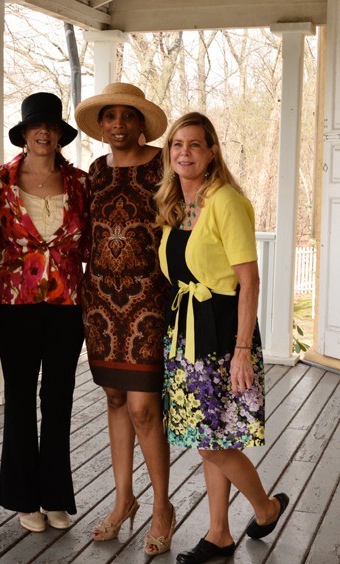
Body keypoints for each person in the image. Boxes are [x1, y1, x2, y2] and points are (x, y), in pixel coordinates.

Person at [154, 112, 289, 564]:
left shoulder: (226, 200)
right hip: (185, 330)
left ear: (212, 152)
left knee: (215, 441)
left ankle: (265, 507)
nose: (184, 153)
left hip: (220, 333)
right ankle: (219, 534)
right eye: (177, 144)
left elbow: (248, 281)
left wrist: (242, 351)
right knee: (209, 437)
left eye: (195, 144)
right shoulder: (176, 203)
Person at [0, 92, 90, 533]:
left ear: (60, 134)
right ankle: (24, 499)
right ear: (23, 134)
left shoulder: (80, 183)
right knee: (20, 400)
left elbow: (94, 245)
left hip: (67, 304)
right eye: (34, 126)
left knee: (58, 399)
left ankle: (56, 495)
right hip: (14, 304)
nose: (43, 133)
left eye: (51, 126)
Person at [74, 83, 175, 555]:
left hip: (149, 299)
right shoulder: (95, 171)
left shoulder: (164, 164)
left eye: (126, 117)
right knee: (115, 399)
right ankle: (123, 500)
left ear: (140, 124)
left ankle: (162, 507)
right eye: (109, 117)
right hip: (100, 303)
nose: (117, 124)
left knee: (143, 408)